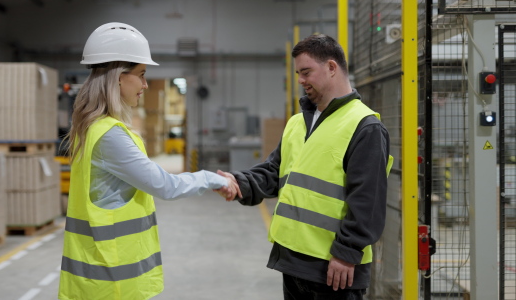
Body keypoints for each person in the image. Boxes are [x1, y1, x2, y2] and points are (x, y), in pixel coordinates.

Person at [58, 22, 240, 300]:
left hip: (99, 279)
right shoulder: (109, 135)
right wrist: (213, 178)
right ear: (119, 77)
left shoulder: (93, 128)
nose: (145, 84)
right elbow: (165, 185)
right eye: (141, 75)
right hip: (112, 280)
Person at [218, 34, 393, 299]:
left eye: (306, 72)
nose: (300, 80)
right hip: (294, 261)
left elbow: (368, 200)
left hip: (334, 270)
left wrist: (346, 253)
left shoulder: (364, 126)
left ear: (332, 67)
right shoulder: (297, 123)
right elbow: (274, 172)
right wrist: (239, 183)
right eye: (299, 73)